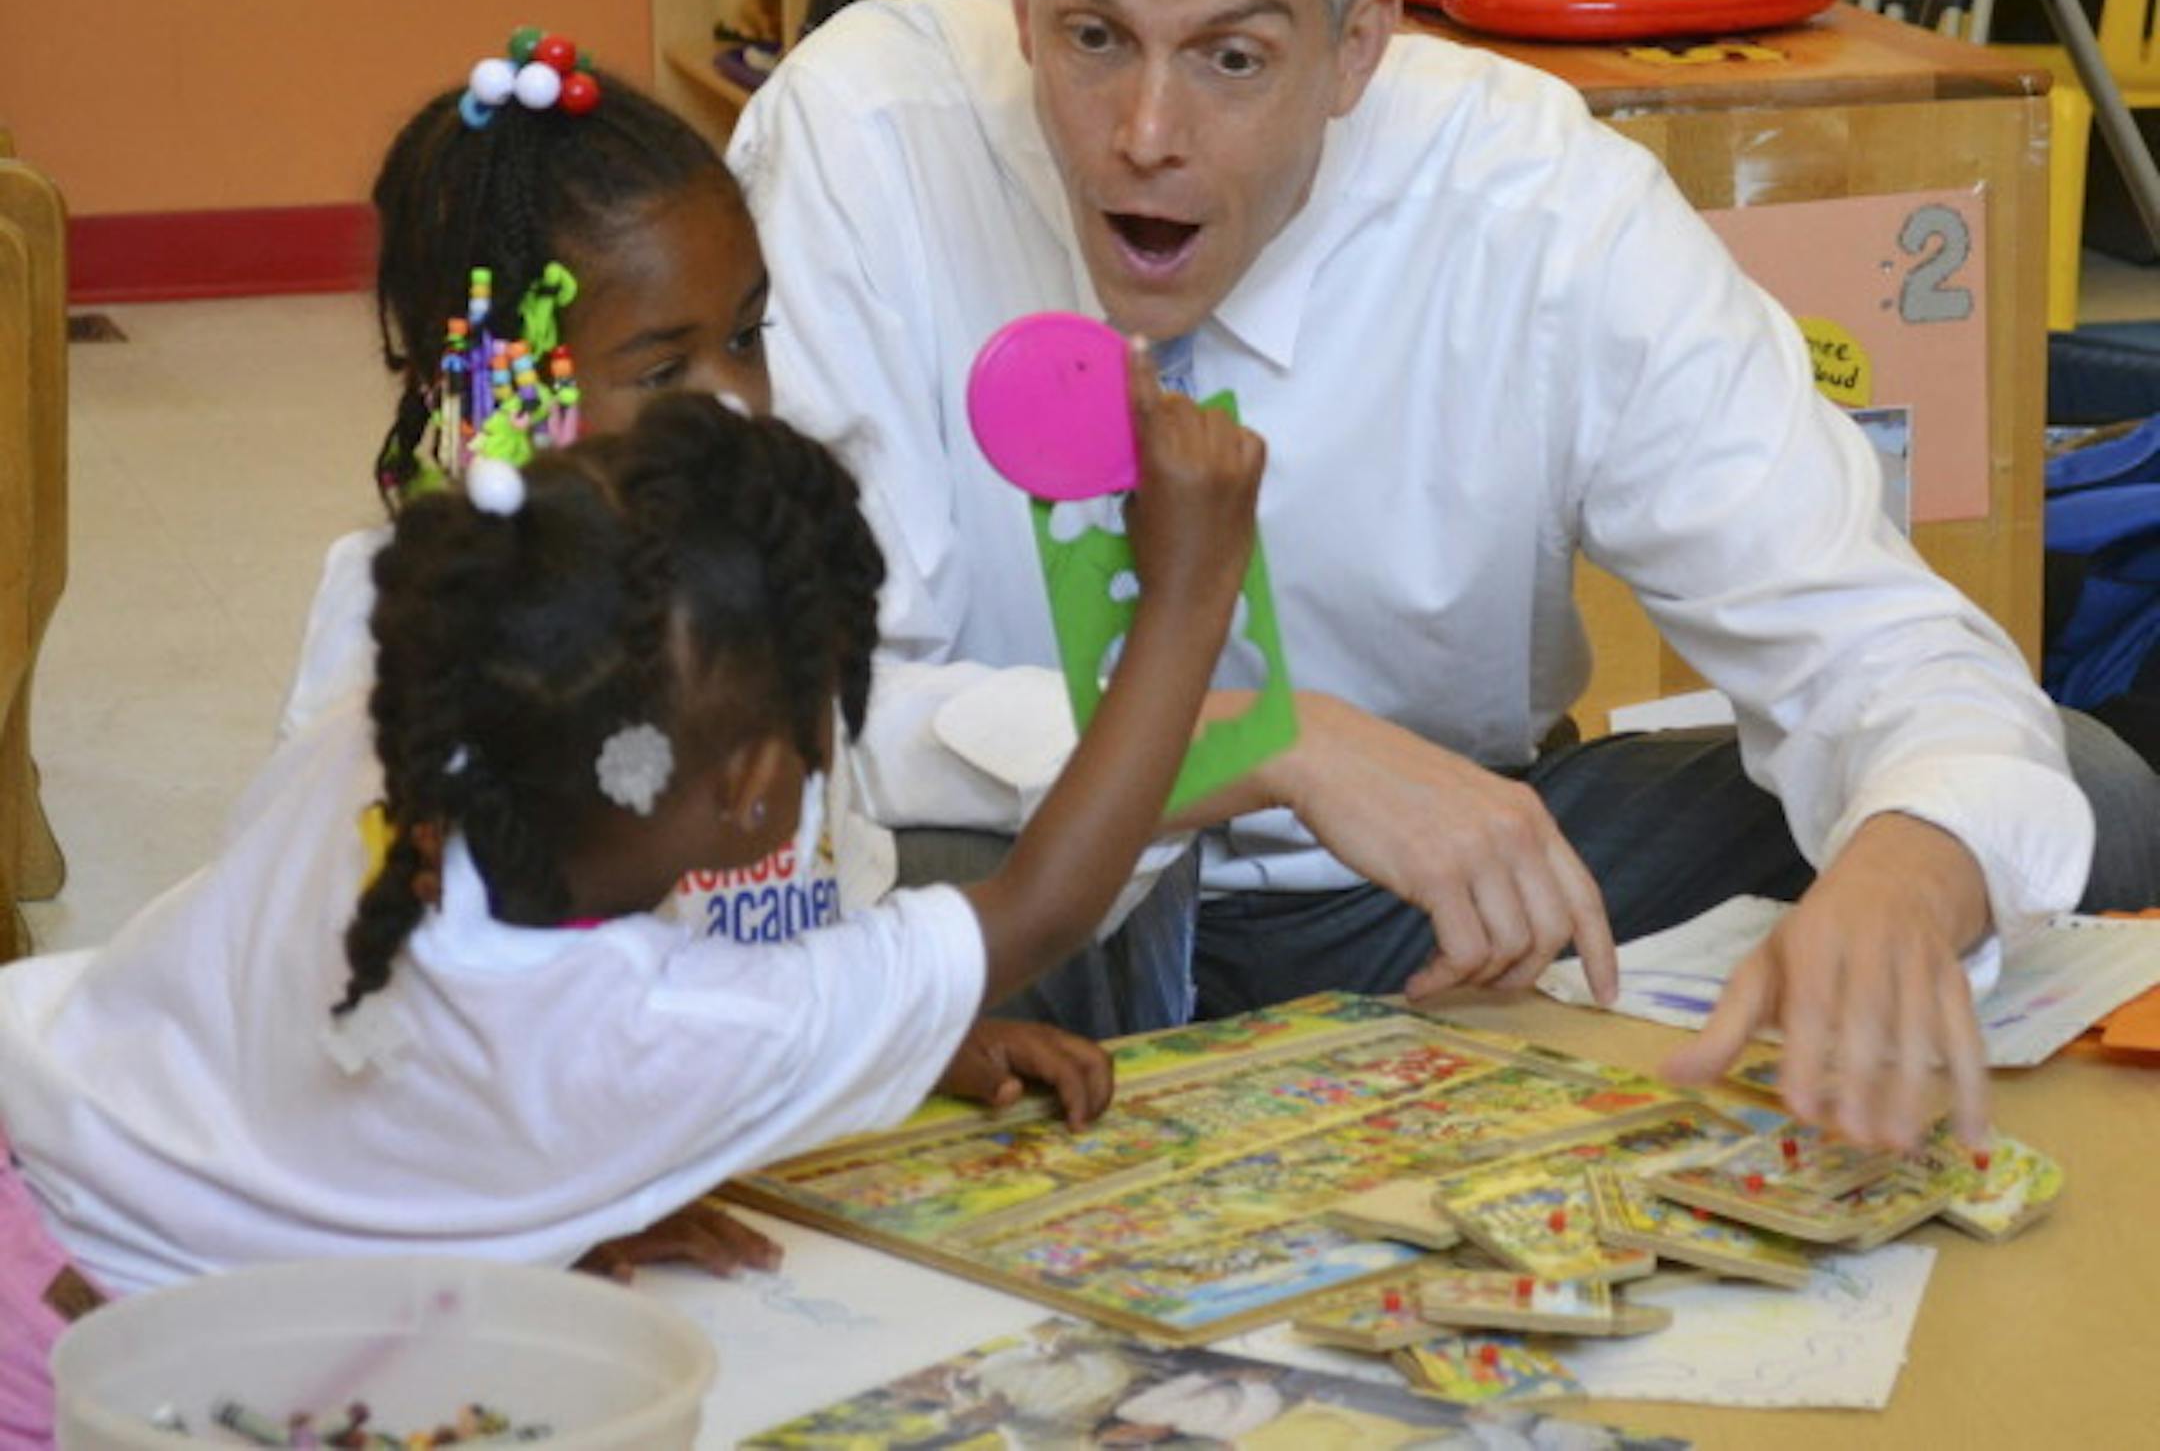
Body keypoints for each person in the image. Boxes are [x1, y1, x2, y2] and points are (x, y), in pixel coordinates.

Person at [731, 0, 2160, 1156]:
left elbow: (1884, 645)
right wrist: (1267, 741)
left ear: (1358, 46)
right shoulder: (866, 136)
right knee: (912, 868)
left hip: (1432, 912)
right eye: (1092, 35)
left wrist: (1905, 876)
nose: (1144, 131)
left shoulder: (1539, 205)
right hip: (1048, 892)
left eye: (1233, 59)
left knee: (2061, 794)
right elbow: (807, 717)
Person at [0, 377, 1264, 1449]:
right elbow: (1040, 910)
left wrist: (577, 1185)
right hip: (106, 1374)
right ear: (757, 786)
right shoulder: (637, 1028)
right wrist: (1190, 595)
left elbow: (380, 1089)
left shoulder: (403, 743)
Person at [281, 38, 1113, 1277]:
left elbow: (807, 900)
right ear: (493, 386)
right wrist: (559, 1205)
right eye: (665, 367)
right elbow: (388, 1016)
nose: (734, 402)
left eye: (748, 335)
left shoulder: (744, 572)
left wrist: (909, 1036)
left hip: (761, 1157)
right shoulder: (407, 631)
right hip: (514, 1210)